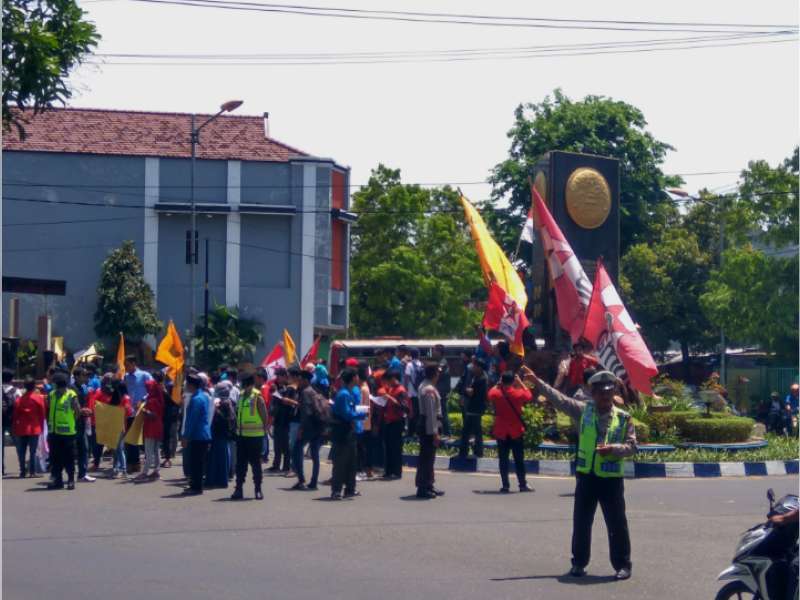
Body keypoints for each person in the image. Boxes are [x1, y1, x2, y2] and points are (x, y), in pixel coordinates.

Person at [525, 367, 636, 580]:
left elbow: (632, 446)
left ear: (613, 393)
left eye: (608, 392)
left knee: (617, 524)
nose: (604, 397)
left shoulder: (624, 418)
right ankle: (578, 563)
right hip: (587, 478)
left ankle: (623, 564)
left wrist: (613, 449)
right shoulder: (582, 410)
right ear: (592, 393)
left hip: (611, 479)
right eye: (600, 392)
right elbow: (559, 399)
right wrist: (537, 382)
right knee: (582, 522)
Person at [488, 371, 535, 493]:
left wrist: (498, 384)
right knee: (519, 459)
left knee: (503, 460)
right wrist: (520, 383)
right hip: (515, 431)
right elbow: (529, 395)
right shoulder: (517, 393)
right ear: (512, 381)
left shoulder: (496, 393)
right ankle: (522, 484)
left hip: (501, 431)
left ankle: (505, 485)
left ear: (502, 381)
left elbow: (489, 393)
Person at [330, 368, 367, 500]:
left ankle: (350, 489)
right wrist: (361, 415)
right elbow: (347, 414)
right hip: (342, 432)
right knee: (340, 462)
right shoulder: (344, 394)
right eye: (356, 376)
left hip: (349, 432)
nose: (359, 378)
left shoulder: (349, 392)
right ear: (352, 378)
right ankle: (336, 490)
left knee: (352, 461)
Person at [232, 372, 268, 500]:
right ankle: (238, 489)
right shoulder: (241, 396)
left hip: (255, 437)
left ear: (250, 384)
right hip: (241, 436)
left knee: (256, 465)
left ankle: (258, 489)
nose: (243, 386)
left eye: (245, 384)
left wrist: (265, 432)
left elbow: (264, 415)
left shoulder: (257, 396)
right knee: (240, 464)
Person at [46, 372, 81, 490]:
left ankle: (71, 480)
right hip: (54, 433)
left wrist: (71, 422)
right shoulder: (51, 395)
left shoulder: (71, 395)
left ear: (58, 384)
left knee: (69, 458)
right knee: (55, 458)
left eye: (54, 383)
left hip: (67, 434)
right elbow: (49, 409)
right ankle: (58, 481)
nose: (52, 385)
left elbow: (77, 411)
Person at [291, 370, 325, 490]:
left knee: (296, 450)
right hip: (318, 427)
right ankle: (313, 481)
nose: (298, 382)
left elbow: (306, 414)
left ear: (305, 380)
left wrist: (301, 429)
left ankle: (301, 479)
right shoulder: (315, 391)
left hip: (309, 428)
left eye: (300, 379)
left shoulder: (305, 392)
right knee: (315, 455)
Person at [415, 364, 444, 499]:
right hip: (429, 426)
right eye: (438, 373)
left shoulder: (424, 385)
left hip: (426, 424)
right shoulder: (428, 390)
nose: (439, 375)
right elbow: (431, 414)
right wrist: (435, 433)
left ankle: (429, 485)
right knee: (426, 458)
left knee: (428, 458)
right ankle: (423, 487)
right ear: (434, 374)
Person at [182, 373, 211, 496]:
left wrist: (185, 436)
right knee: (197, 462)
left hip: (197, 435)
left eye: (187, 383)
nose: (185, 386)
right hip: (202, 434)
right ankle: (195, 485)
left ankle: (196, 487)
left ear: (191, 385)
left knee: (195, 462)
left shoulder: (196, 399)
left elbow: (191, 420)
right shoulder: (203, 396)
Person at [123, 355, 153, 474]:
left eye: (127, 365)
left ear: (134, 363)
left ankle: (148, 462)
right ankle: (133, 463)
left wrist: (143, 399)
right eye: (125, 365)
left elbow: (153, 390)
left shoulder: (145, 375)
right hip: (130, 412)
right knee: (131, 438)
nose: (126, 367)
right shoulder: (126, 377)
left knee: (145, 439)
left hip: (142, 411)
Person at [12, 376, 45, 478]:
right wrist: (42, 427)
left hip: (21, 428)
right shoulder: (38, 398)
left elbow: (15, 415)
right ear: (34, 386)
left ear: (24, 386)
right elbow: (42, 414)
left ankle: (22, 471)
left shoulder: (19, 400)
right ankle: (32, 471)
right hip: (34, 427)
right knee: (33, 451)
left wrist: (14, 428)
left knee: (22, 451)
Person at [380, 370, 410, 480]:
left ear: (392, 379)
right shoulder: (392, 389)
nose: (386, 384)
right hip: (388, 421)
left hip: (397, 422)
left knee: (395, 448)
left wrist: (390, 398)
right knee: (388, 447)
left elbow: (404, 407)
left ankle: (397, 471)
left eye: (387, 382)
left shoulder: (401, 390)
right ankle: (388, 471)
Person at [205, 382, 235, 489]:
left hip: (220, 434)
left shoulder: (225, 403)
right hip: (220, 434)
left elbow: (226, 420)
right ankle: (217, 479)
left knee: (219, 458)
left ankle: (220, 480)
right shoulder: (226, 402)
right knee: (218, 457)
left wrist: (216, 410)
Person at [459, 358, 488, 459]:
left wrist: (469, 391)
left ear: (479, 367)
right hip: (471, 408)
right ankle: (465, 452)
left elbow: (473, 392)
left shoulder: (482, 379)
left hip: (476, 408)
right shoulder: (475, 377)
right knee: (468, 431)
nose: (473, 367)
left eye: (474, 366)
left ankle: (477, 452)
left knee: (474, 431)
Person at [137, 377, 165, 481]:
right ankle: (156, 471)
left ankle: (145, 472)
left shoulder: (151, 401)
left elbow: (151, 415)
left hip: (151, 427)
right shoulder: (159, 398)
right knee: (156, 450)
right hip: (158, 427)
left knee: (148, 452)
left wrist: (142, 409)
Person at [72, 368, 96, 483]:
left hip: (81, 422)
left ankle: (82, 474)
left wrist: (86, 410)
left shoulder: (83, 388)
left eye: (86, 375)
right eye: (83, 375)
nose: (86, 377)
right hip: (73, 423)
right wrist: (82, 410)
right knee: (75, 449)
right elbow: (73, 407)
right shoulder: (72, 390)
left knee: (83, 449)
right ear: (76, 376)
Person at [267, 368, 292, 474]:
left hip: (286, 419)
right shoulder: (277, 387)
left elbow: (288, 402)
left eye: (279, 375)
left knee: (285, 445)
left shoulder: (289, 388)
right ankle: (276, 465)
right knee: (277, 444)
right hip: (278, 419)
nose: (277, 377)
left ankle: (286, 466)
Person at [108, 380, 133, 479]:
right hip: (116, 424)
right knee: (116, 448)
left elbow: (128, 411)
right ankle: (117, 468)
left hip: (121, 425)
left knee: (119, 448)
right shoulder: (121, 398)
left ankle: (123, 469)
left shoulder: (125, 398)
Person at [355, 361, 374, 481]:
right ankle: (365, 469)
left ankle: (361, 470)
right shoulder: (365, 387)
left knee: (361, 448)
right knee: (362, 447)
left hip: (361, 423)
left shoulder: (362, 389)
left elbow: (360, 407)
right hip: (365, 422)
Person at [2, 369, 20, 476]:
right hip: (11, 420)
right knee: (18, 443)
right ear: (11, 379)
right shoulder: (15, 391)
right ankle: (22, 466)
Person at [432, 344, 452, 436]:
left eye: (434, 350)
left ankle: (447, 433)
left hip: (441, 391)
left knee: (443, 412)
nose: (433, 352)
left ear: (439, 352)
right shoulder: (439, 362)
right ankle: (442, 432)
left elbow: (438, 372)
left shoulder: (442, 362)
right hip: (439, 390)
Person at [403, 348, 424, 435]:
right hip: (420, 392)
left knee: (411, 413)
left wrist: (405, 389)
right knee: (419, 413)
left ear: (410, 355)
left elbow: (407, 378)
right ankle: (418, 431)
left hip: (411, 393)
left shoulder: (409, 365)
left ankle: (411, 432)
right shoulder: (421, 364)